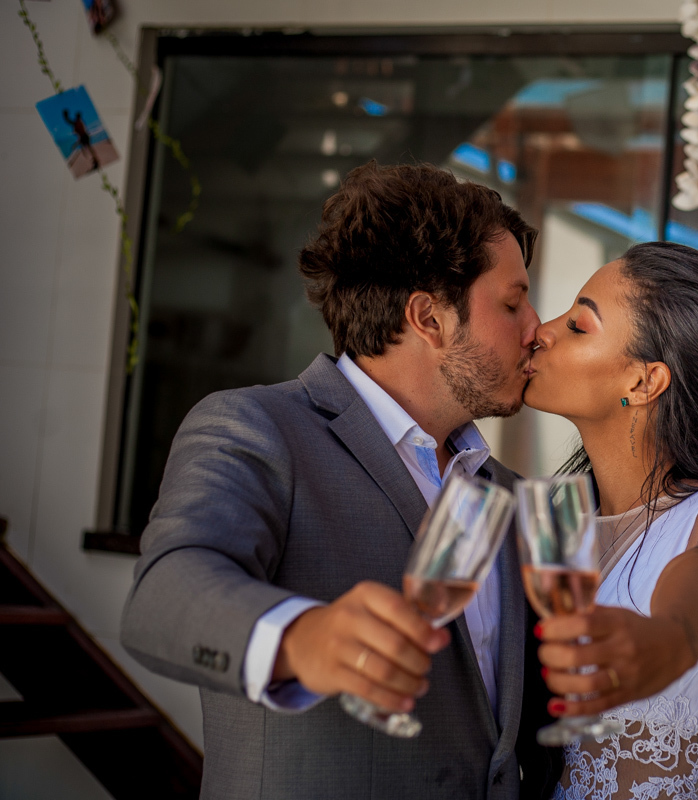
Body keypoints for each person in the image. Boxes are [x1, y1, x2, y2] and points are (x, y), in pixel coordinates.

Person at [120, 161, 561, 799]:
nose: (535, 330)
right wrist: (303, 637)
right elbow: (163, 594)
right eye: (514, 303)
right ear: (429, 318)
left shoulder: (511, 495)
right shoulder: (256, 427)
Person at [522, 242, 698, 799]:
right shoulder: (561, 522)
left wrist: (669, 639)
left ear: (643, 383)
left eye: (578, 325)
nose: (542, 329)